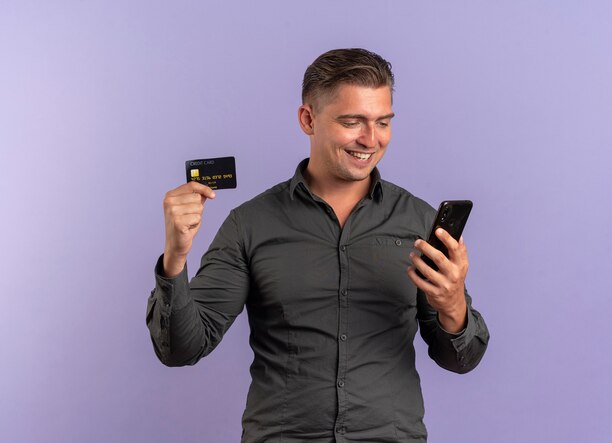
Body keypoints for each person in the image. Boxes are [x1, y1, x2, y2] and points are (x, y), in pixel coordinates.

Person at [147, 48, 489, 442]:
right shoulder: (251, 224)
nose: (370, 139)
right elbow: (181, 349)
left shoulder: (419, 221)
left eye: (383, 122)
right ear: (308, 119)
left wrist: (453, 305)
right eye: (352, 121)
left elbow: (462, 359)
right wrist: (174, 260)